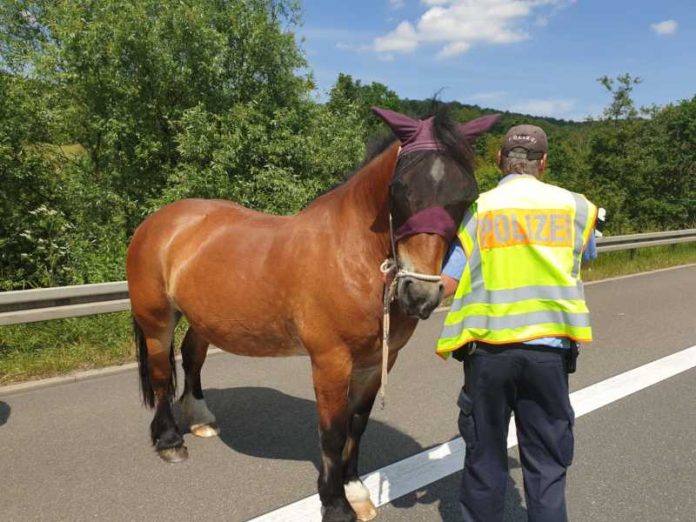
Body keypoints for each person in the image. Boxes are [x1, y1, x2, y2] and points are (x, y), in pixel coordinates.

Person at [437, 124, 598, 522]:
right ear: (543, 163)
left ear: (499, 161)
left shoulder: (480, 209)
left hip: (488, 355)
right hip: (548, 354)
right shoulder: (575, 207)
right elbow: (587, 254)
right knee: (546, 463)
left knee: (485, 459)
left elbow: (446, 283)